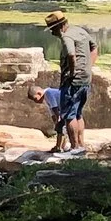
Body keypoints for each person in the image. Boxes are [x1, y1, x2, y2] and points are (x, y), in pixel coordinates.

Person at [29, 8, 96, 154]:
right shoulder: (80, 31)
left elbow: (71, 55)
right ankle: (81, 146)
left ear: (59, 26)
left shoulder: (67, 37)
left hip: (72, 82)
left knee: (69, 115)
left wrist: (72, 73)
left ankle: (75, 148)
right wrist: (88, 67)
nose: (53, 34)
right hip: (85, 80)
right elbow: (94, 47)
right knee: (78, 113)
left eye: (52, 30)